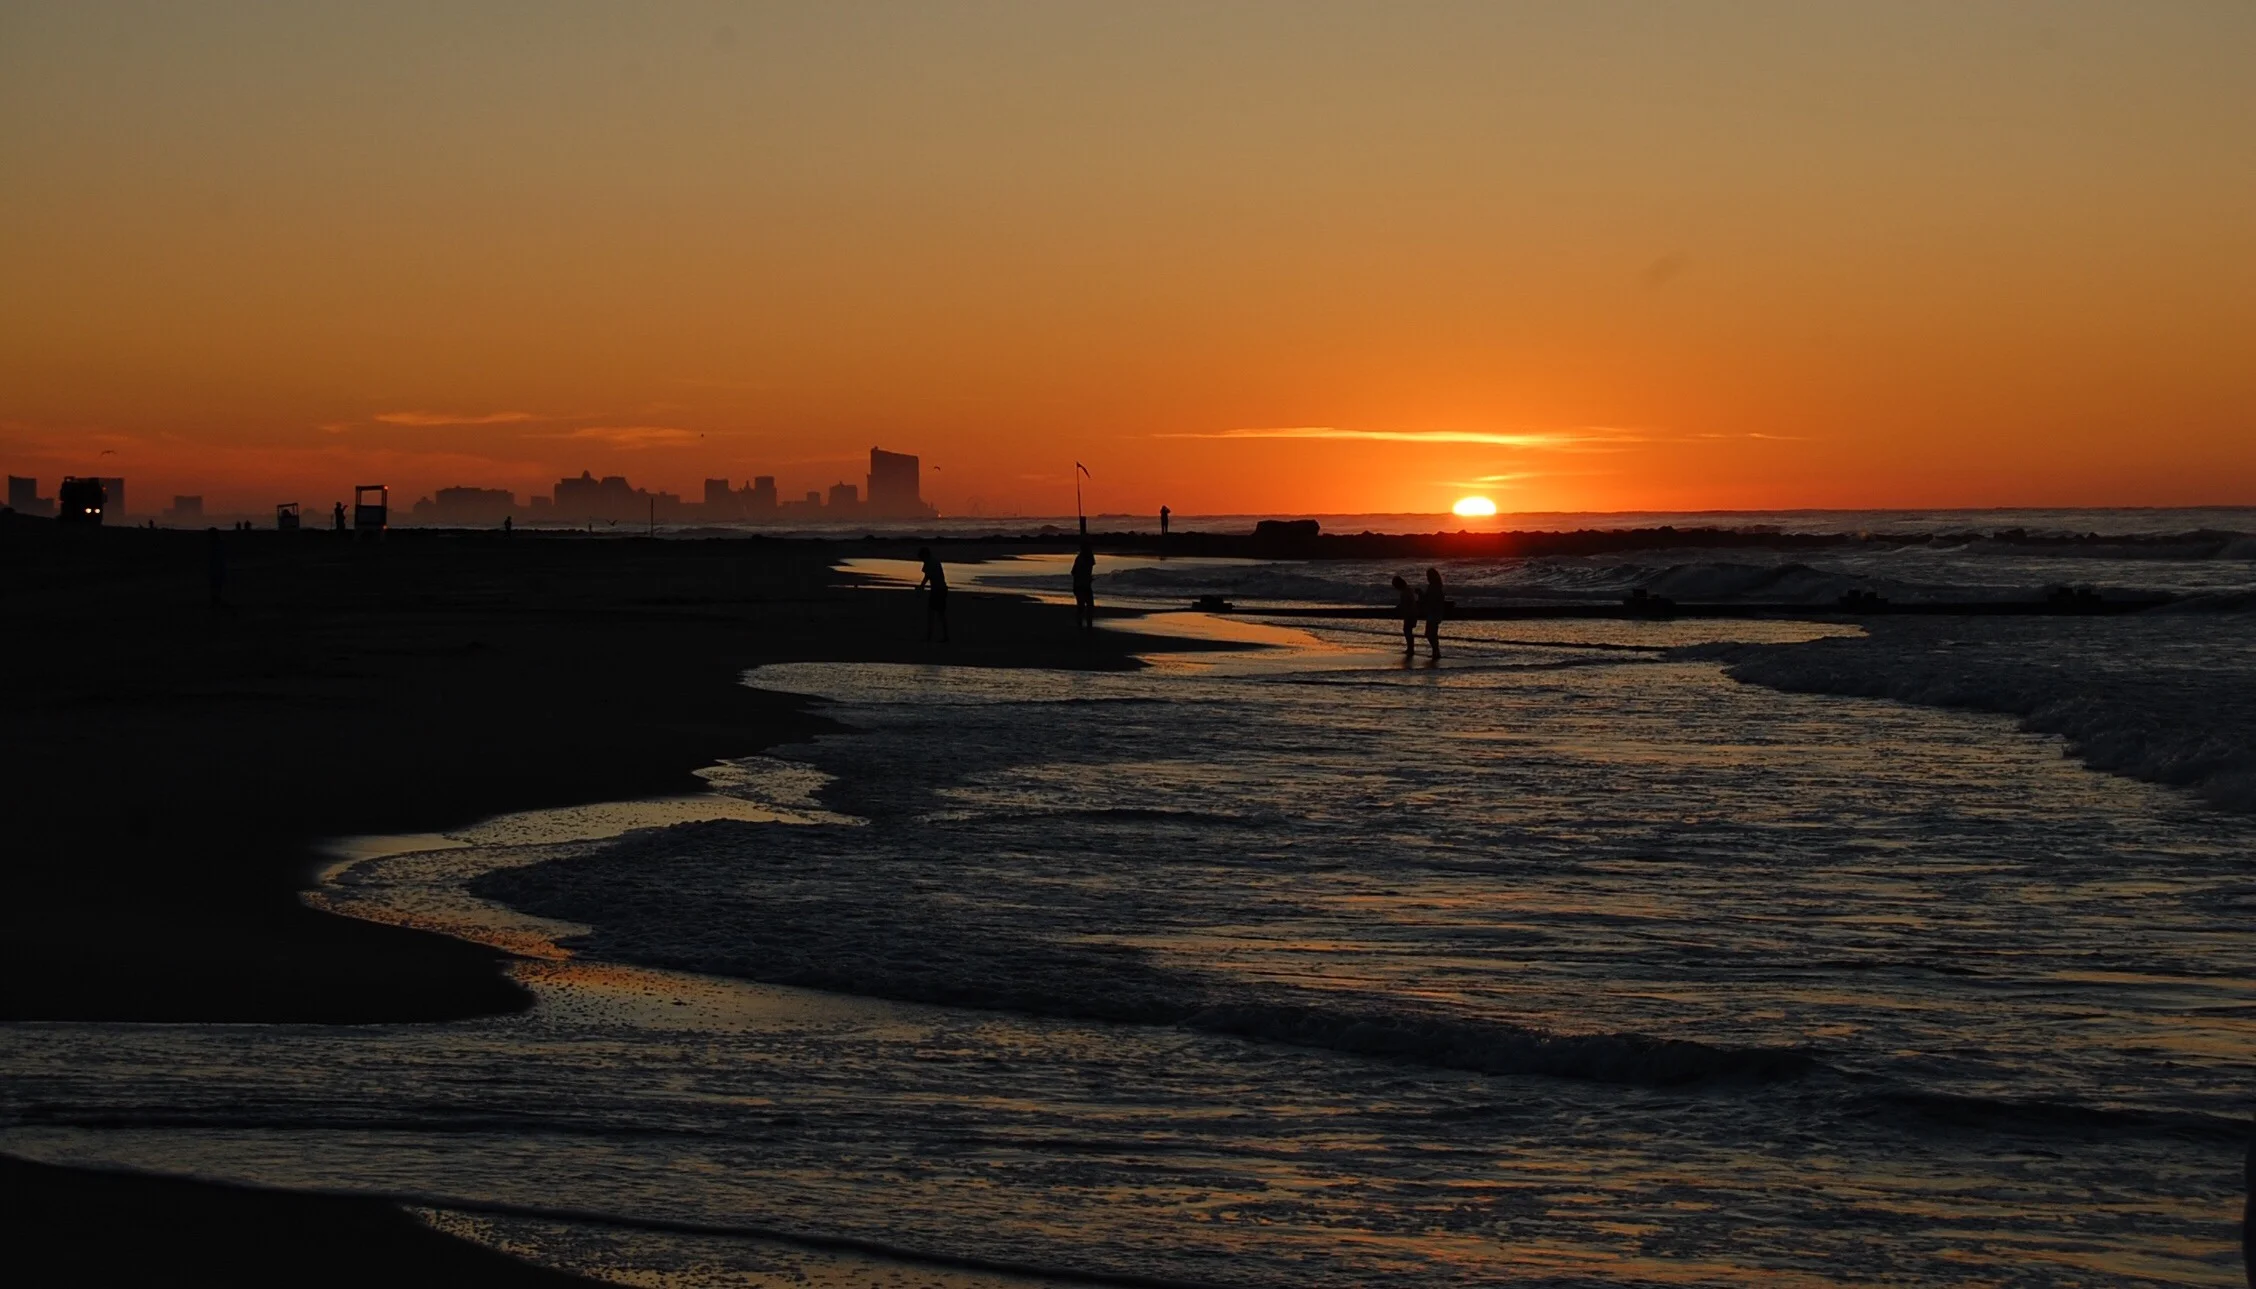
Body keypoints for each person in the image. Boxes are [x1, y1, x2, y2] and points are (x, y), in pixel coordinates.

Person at [916, 546, 949, 642]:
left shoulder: (929, 563)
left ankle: (930, 636)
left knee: (932, 613)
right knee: (940, 614)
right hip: (942, 589)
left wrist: (921, 587)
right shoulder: (935, 561)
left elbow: (927, 577)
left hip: (937, 590)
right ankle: (945, 636)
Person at [1071, 539, 1097, 632]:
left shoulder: (1085, 557)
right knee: (1085, 606)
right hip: (1081, 585)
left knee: (1086, 606)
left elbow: (1077, 572)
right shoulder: (1082, 558)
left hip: (1083, 585)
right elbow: (1074, 572)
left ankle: (1085, 626)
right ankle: (1083, 626)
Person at [1420, 567, 1445, 659]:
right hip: (1436, 612)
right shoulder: (1437, 586)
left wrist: (1421, 595)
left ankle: (1436, 651)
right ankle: (1436, 652)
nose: (1427, 578)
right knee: (1432, 634)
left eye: (1428, 576)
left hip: (1433, 613)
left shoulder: (1434, 586)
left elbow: (1429, 599)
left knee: (1430, 634)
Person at [1392, 575, 1419, 654]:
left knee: (1407, 631)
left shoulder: (1405, 591)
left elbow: (1406, 603)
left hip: (1410, 614)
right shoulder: (1407, 590)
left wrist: (1400, 609)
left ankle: (1410, 649)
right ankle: (1410, 648)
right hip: (1411, 613)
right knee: (1408, 630)